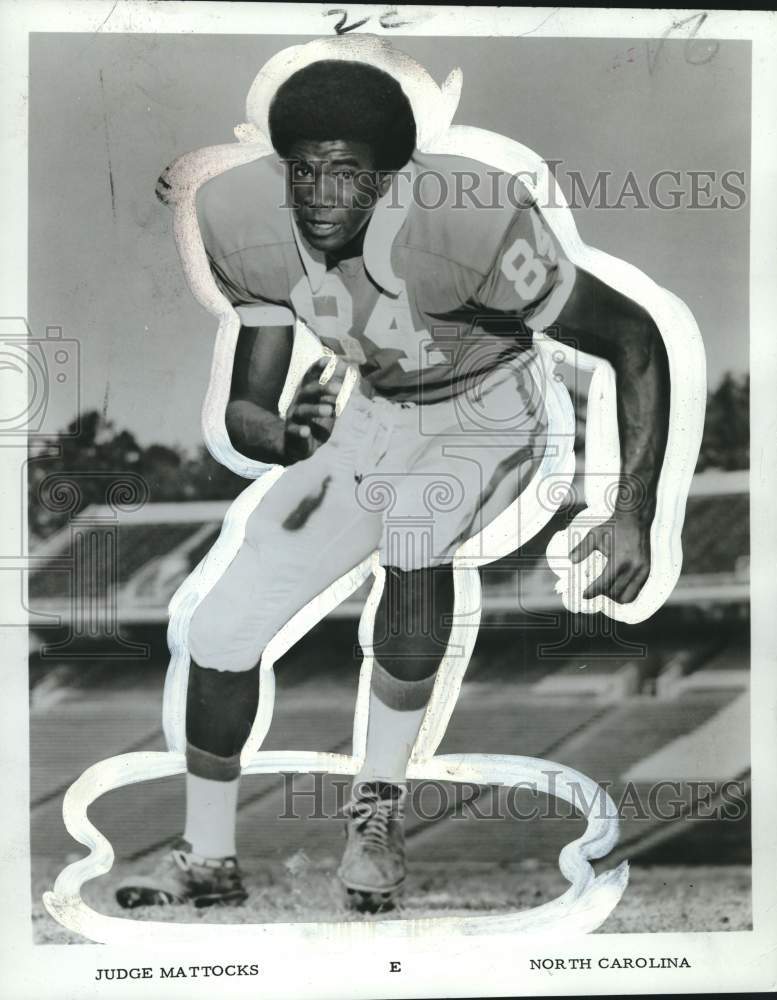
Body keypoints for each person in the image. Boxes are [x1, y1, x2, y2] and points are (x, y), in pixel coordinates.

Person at [117, 53, 670, 913]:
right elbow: (246, 411)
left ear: (389, 176)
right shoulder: (236, 216)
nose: (319, 194)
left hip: (486, 408)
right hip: (368, 414)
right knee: (220, 631)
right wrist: (278, 433)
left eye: (345, 172)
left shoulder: (474, 219)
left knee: (415, 530)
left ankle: (376, 808)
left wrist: (629, 512)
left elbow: (633, 341)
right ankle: (210, 855)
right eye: (303, 169)